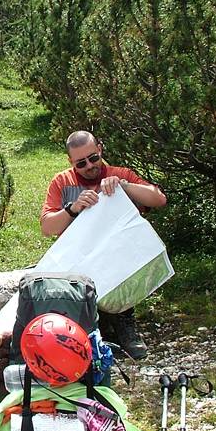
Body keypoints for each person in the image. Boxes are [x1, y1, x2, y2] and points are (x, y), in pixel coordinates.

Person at [40, 131, 166, 360]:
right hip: (79, 262)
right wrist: (72, 208)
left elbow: (158, 199)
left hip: (117, 260)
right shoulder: (62, 182)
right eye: (81, 163)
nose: (89, 166)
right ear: (71, 162)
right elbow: (47, 227)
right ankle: (93, 329)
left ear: (100, 149)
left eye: (93, 158)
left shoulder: (119, 174)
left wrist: (124, 186)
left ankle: (124, 324)